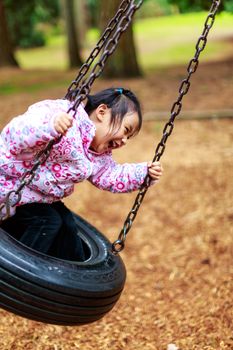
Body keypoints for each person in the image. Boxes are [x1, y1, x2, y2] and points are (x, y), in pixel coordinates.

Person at [0, 87, 163, 259]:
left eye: (129, 138)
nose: (124, 140)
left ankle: (69, 275)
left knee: (67, 224)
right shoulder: (64, 117)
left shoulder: (97, 155)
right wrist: (50, 126)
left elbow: (110, 175)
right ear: (102, 112)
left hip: (37, 198)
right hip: (10, 186)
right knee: (47, 222)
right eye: (126, 130)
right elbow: (15, 132)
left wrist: (143, 174)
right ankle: (19, 269)